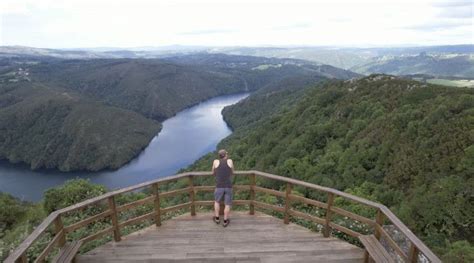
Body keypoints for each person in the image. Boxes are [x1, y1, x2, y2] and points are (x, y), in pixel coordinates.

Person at [212, 149, 234, 227]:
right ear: (225, 155)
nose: (227, 155)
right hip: (228, 185)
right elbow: (232, 172)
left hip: (219, 185)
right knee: (227, 204)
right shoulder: (230, 161)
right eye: (226, 154)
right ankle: (225, 221)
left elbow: (213, 172)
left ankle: (217, 218)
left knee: (217, 202)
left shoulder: (215, 161)